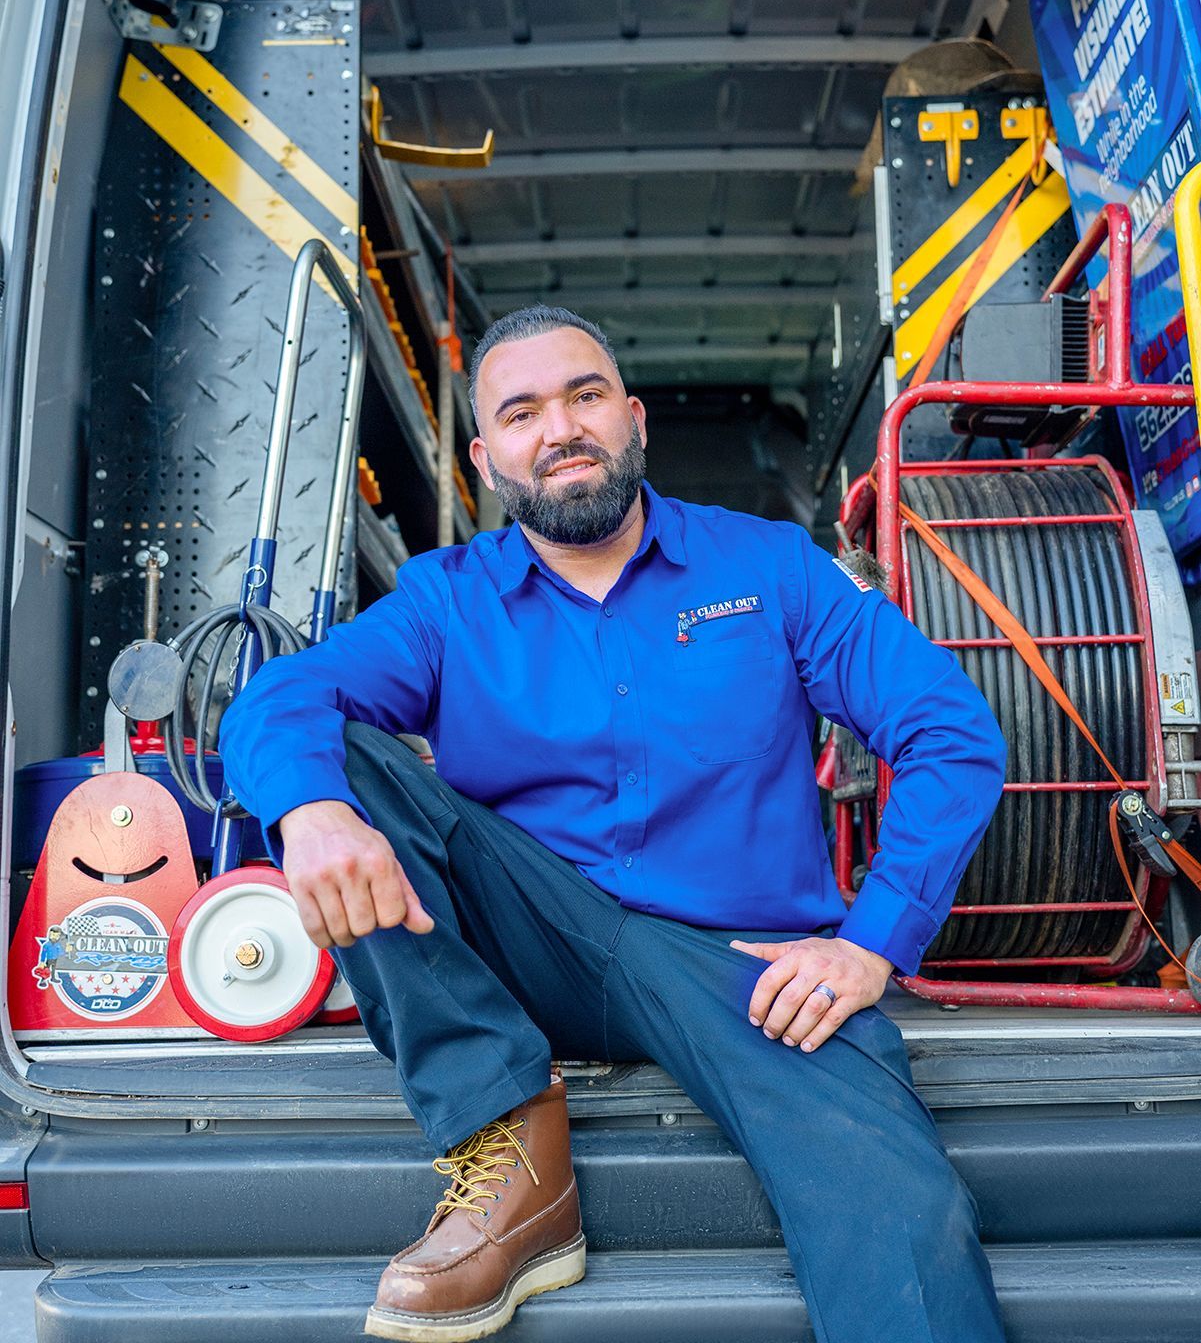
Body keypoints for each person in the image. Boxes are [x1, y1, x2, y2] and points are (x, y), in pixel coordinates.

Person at [219, 305, 1008, 1343]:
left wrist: (871, 944)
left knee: (904, 1216)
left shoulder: (768, 567)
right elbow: (278, 697)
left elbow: (950, 730)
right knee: (340, 757)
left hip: (743, 972)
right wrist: (314, 812)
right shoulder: (445, 601)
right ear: (485, 458)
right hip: (529, 948)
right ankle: (506, 1138)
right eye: (521, 412)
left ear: (633, 418)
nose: (560, 429)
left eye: (584, 396)